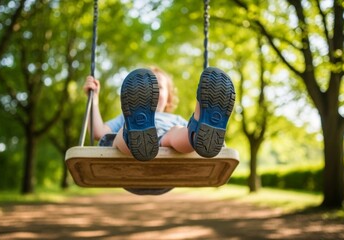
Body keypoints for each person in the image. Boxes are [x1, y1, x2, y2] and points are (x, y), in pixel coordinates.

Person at [83, 66, 235, 194]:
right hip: (128, 162)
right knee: (123, 131)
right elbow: (98, 132)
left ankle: (199, 126)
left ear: (168, 96)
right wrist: (93, 99)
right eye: (145, 89)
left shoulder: (174, 119)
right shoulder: (126, 116)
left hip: (168, 161)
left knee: (177, 131)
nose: (149, 93)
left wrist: (216, 143)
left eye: (158, 88)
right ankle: (135, 136)